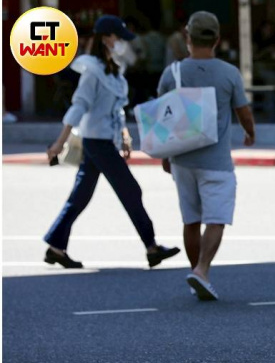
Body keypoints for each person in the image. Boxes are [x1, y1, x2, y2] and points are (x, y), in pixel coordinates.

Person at [44, 15, 180, 269]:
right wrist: (60, 143)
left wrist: (125, 136)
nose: (122, 44)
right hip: (97, 142)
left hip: (103, 141)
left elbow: (116, 109)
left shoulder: (113, 70)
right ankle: (151, 247)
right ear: (106, 38)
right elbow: (78, 106)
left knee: (81, 196)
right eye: (119, 38)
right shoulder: (92, 72)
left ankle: (55, 247)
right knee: (131, 190)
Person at [157, 11, 256, 300]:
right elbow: (243, 112)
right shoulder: (229, 73)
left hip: (182, 158)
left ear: (187, 37)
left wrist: (165, 155)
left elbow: (162, 117)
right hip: (216, 161)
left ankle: (196, 275)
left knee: (191, 220)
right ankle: (201, 270)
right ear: (217, 39)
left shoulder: (172, 72)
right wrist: (250, 133)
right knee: (216, 219)